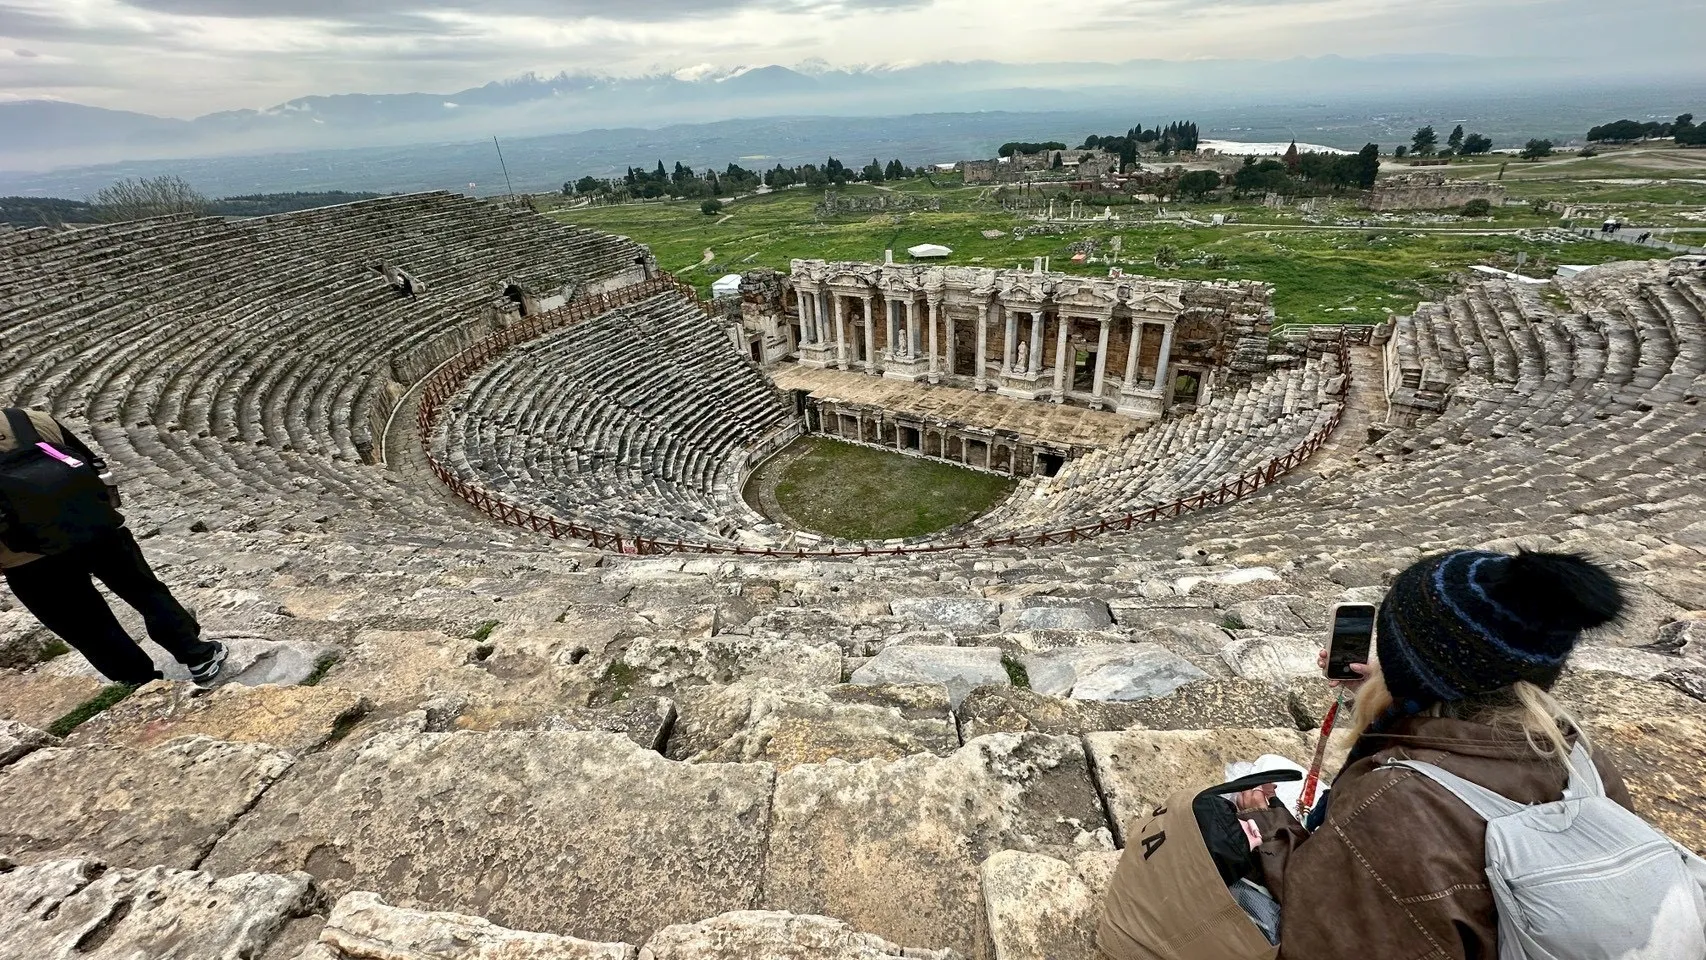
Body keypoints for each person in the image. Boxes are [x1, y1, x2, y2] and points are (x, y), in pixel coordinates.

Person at [1246, 548, 1637, 958]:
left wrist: (1266, 826)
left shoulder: (1393, 802)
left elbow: (1322, 931)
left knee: (1263, 772)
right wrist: (1387, 694)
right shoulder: (1585, 762)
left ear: (1411, 669)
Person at [1, 408, 226, 686]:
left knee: (86, 625)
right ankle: (197, 655)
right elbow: (93, 465)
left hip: (26, 559)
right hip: (95, 527)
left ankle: (143, 684)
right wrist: (106, 510)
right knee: (145, 592)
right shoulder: (28, 419)